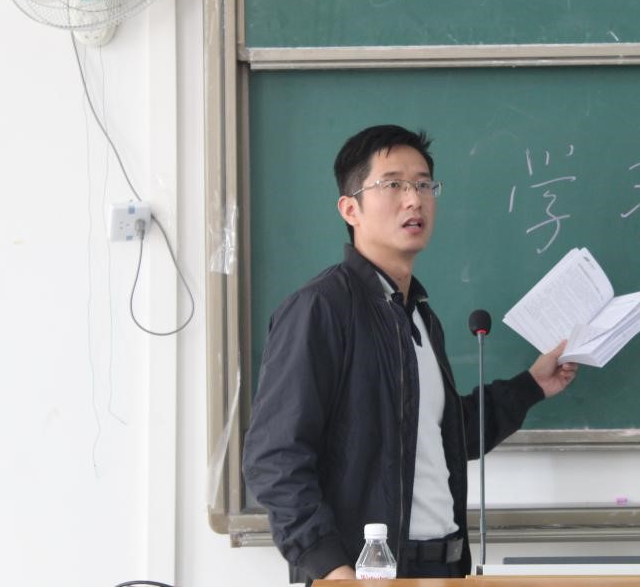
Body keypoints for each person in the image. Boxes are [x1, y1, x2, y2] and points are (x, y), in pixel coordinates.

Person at [241, 125, 579, 583]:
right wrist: (331, 569)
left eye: (423, 185)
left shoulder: (419, 316)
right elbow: (274, 457)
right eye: (393, 184)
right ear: (350, 208)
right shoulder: (321, 309)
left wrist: (532, 385)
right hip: (365, 573)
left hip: (442, 567)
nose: (413, 200)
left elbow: (445, 435)